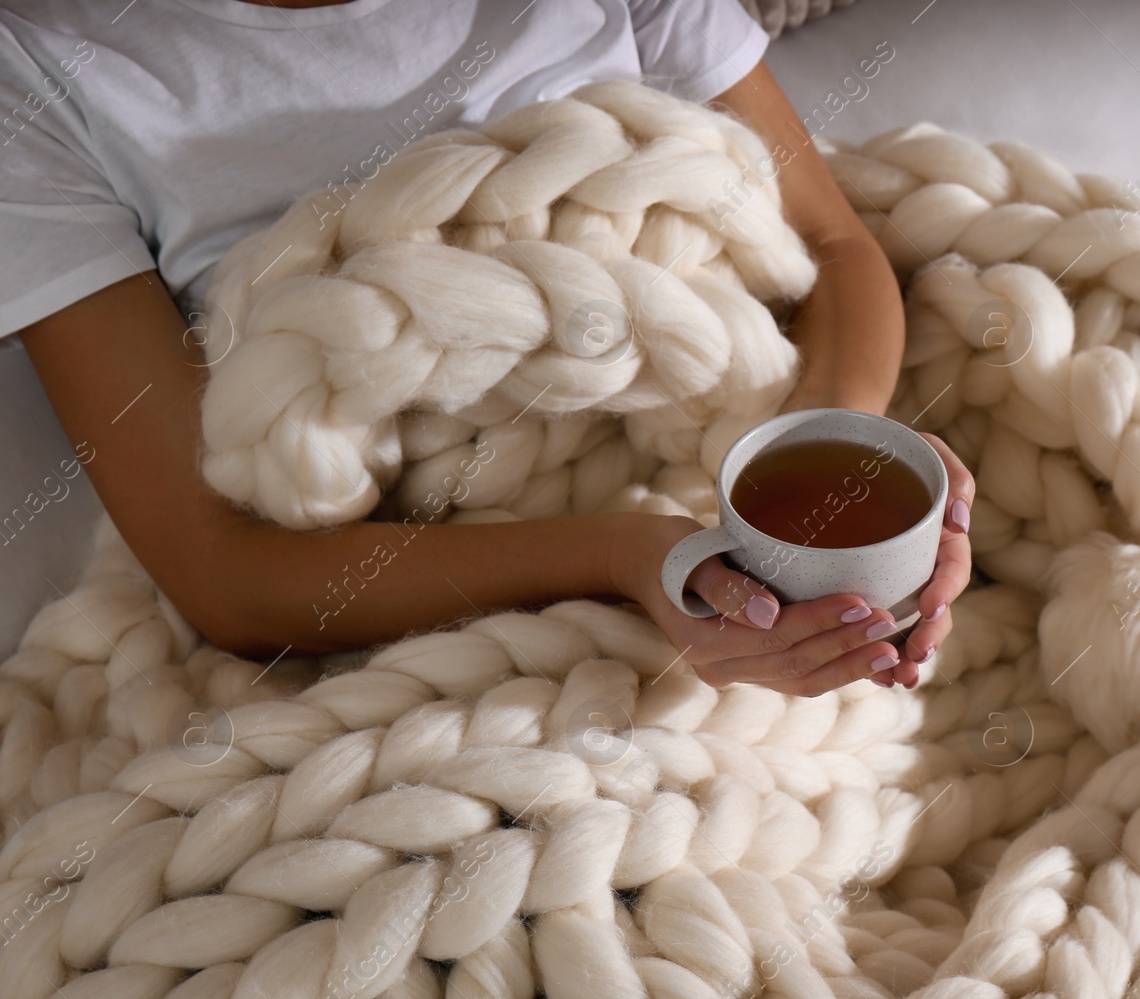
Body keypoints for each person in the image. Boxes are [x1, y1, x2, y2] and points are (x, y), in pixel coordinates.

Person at [2, 0, 974, 697]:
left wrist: (832, 475)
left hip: (722, 513)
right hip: (418, 626)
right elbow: (223, 567)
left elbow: (831, 243)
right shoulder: (40, 68)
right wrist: (632, 559)